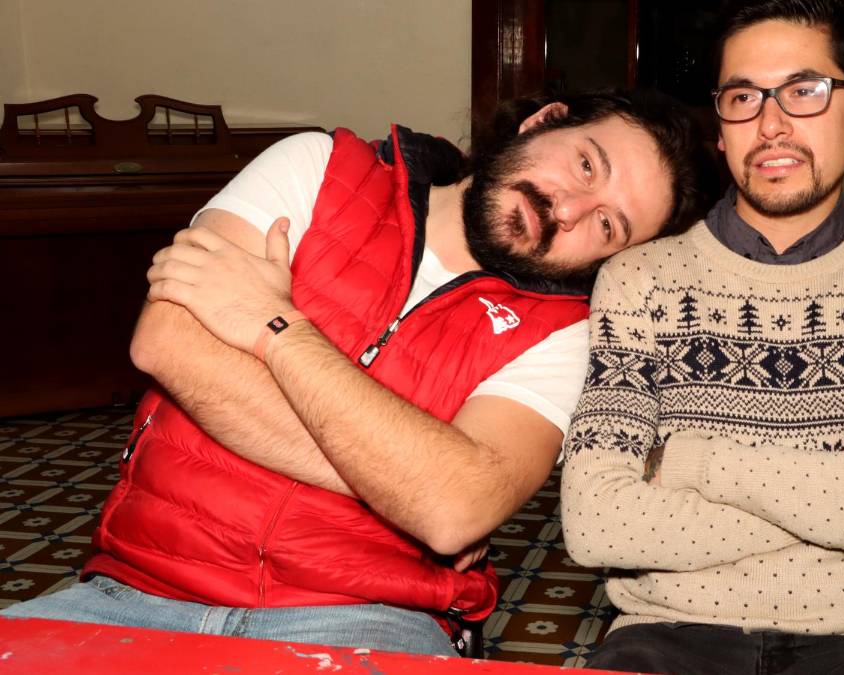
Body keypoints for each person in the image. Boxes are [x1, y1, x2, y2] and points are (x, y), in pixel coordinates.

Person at [1, 90, 712, 656]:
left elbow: (456, 509)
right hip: (136, 588)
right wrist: (410, 480)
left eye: (609, 225)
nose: (571, 208)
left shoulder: (565, 334)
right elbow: (169, 341)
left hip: (369, 619)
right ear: (543, 120)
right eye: (586, 165)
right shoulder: (318, 166)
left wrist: (275, 326)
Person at [560, 2, 844, 673]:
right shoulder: (637, 280)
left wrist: (687, 464)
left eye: (805, 91)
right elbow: (596, 524)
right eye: (744, 97)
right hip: (663, 634)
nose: (771, 124)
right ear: (720, 128)